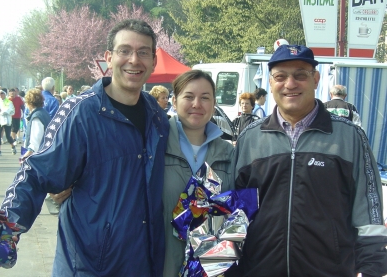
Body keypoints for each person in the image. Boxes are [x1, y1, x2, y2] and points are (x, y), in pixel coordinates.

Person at [0, 19, 169, 276]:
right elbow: (37, 173)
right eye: (124, 50)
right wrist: (6, 229)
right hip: (89, 265)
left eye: (143, 52)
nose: (134, 60)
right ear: (109, 57)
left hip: (143, 264)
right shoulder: (81, 112)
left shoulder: (157, 117)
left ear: (153, 61)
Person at [231, 45, 387, 276]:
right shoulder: (250, 140)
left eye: (300, 75)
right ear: (271, 84)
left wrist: (371, 269)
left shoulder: (350, 137)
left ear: (316, 79)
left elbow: (369, 214)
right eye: (280, 77)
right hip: (260, 270)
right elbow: (232, 214)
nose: (290, 84)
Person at [162, 70, 234, 277]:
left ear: (213, 103)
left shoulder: (228, 153)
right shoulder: (155, 146)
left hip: (210, 267)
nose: (197, 104)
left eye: (205, 98)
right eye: (189, 97)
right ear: (174, 102)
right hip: (161, 263)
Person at [0, 89, 17, 156]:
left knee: (8, 136)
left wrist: (2, 111)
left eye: (2, 93)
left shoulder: (9, 102)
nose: (0, 95)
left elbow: (12, 111)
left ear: (5, 94)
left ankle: (13, 147)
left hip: (7, 121)